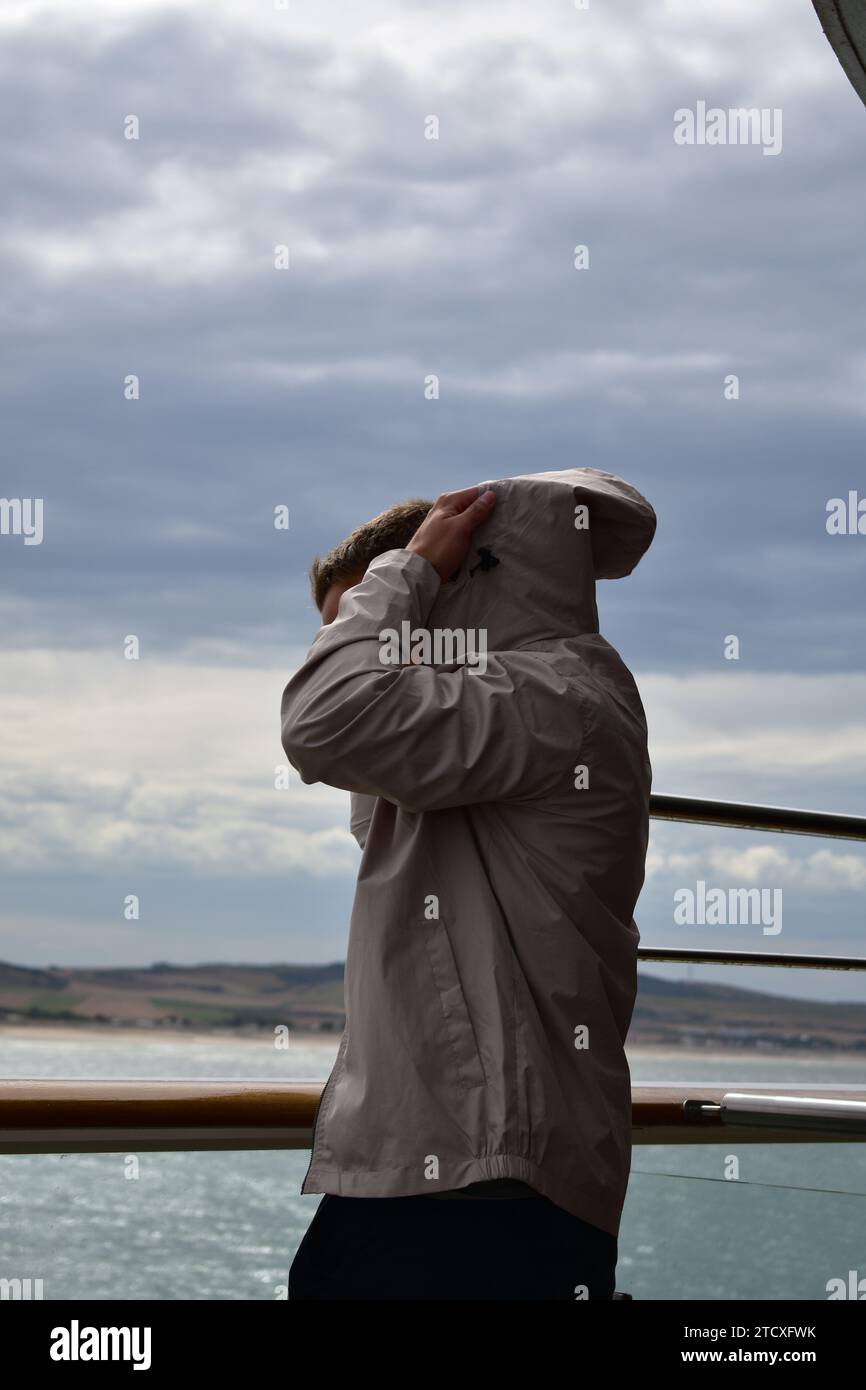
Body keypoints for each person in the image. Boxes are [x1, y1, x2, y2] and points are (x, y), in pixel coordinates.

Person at [281, 467, 656, 1300]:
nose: (372, 640)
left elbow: (322, 721)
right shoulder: (520, 705)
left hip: (475, 1191)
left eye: (375, 618)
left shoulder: (553, 697)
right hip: (448, 1169)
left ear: (448, 594)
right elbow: (361, 751)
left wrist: (406, 574)